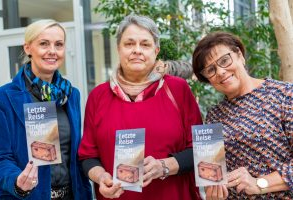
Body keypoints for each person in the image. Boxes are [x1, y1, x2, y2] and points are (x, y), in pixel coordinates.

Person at [78, 14, 203, 200]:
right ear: (118, 49)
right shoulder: (98, 96)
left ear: (156, 50)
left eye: (145, 44)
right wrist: (101, 177)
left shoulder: (178, 89)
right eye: (129, 44)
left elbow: (200, 149)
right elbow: (88, 155)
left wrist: (164, 166)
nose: (137, 50)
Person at [0, 19, 92, 199]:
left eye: (59, 44)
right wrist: (17, 181)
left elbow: (75, 153)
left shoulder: (71, 95)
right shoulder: (1, 98)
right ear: (28, 48)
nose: (52, 51)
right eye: (44, 44)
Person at [192, 31, 293, 199]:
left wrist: (260, 183)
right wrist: (213, 194)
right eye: (211, 69)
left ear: (239, 55)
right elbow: (210, 182)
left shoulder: (284, 95)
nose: (221, 72)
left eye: (225, 60)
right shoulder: (213, 117)